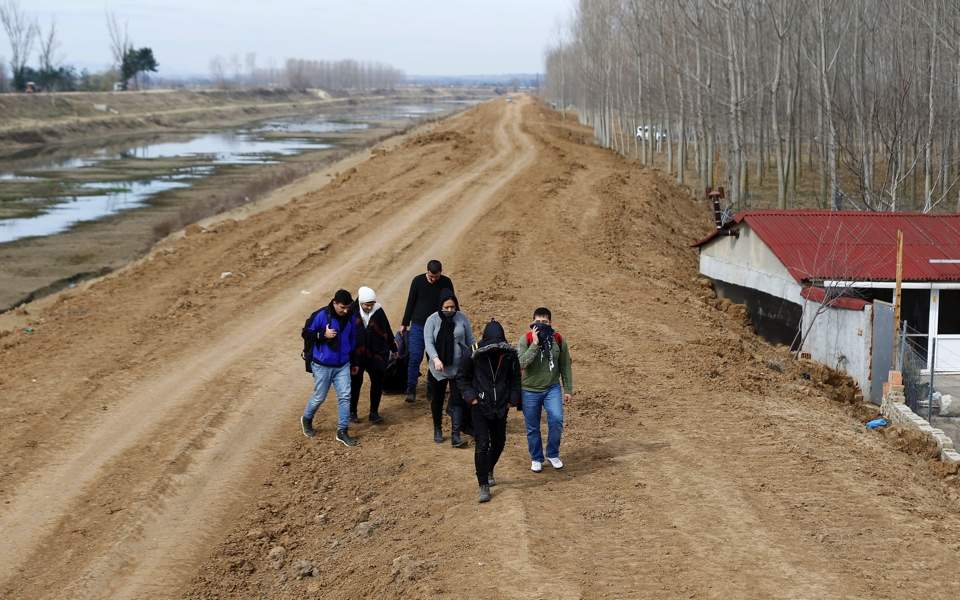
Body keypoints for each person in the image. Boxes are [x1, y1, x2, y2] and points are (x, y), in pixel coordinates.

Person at [458, 319, 521, 503]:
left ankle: (489, 468)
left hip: (501, 406)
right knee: (483, 444)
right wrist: (472, 398)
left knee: (499, 442)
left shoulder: (509, 354)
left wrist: (512, 399)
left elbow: (516, 378)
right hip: (480, 406)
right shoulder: (472, 353)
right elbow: (462, 377)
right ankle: (483, 484)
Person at [301, 289, 361, 447]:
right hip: (322, 366)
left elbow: (353, 340)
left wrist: (354, 362)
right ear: (334, 303)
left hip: (343, 365)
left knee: (345, 396)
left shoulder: (351, 318)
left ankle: (342, 431)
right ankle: (306, 419)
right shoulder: (321, 315)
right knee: (319, 397)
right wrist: (323, 335)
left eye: (348, 307)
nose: (346, 310)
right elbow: (306, 333)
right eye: (342, 307)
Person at [517, 307, 573, 472]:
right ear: (532, 322)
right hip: (529, 390)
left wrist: (568, 389)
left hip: (552, 388)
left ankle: (553, 454)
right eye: (538, 322)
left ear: (550, 323)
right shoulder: (525, 339)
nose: (541, 325)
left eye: (545, 322)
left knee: (556, 420)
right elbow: (521, 363)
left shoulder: (558, 339)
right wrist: (535, 344)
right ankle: (536, 457)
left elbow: (565, 365)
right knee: (532, 426)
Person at [423, 288, 474, 447]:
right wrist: (436, 359)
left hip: (458, 367)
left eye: (453, 307)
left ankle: (456, 435)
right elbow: (428, 342)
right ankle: (437, 428)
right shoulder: (431, 320)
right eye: (447, 307)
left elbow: (470, 339)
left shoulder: (462, 318)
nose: (450, 310)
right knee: (437, 400)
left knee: (457, 401)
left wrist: (474, 355)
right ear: (441, 306)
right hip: (438, 369)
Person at [400, 260, 455, 403]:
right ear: (427, 272)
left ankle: (432, 389)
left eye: (436, 277)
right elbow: (410, 301)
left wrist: (454, 320)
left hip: (437, 325)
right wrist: (405, 323)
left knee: (433, 358)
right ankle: (411, 389)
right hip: (418, 325)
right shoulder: (417, 281)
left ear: (441, 272)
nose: (433, 280)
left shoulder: (446, 282)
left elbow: (452, 302)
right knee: (415, 357)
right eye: (431, 277)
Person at [350, 286, 398, 425]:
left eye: (371, 304)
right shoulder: (352, 312)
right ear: (360, 302)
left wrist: (393, 348)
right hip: (357, 355)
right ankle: (352, 412)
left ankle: (374, 412)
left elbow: (386, 330)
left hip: (376, 354)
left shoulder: (378, 311)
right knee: (355, 384)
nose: (369, 307)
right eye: (366, 305)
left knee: (377, 383)